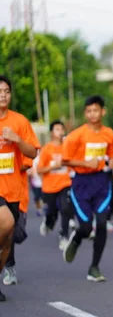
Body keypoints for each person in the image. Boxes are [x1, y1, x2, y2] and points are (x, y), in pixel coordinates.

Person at [61, 95, 113, 282]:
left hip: (101, 181)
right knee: (86, 226)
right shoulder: (76, 136)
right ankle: (77, 238)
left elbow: (110, 156)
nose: (92, 114)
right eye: (89, 111)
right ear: (85, 113)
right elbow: (64, 159)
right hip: (81, 183)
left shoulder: (109, 134)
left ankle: (94, 267)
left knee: (101, 223)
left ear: (103, 111)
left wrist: (112, 162)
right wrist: (85, 162)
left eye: (96, 110)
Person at [0, 76, 39, 301]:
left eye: (6, 91)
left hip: (14, 188)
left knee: (7, 243)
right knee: (4, 223)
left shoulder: (20, 121)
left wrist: (16, 140)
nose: (3, 95)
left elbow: (33, 152)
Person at [37, 120, 74, 250]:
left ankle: (63, 236)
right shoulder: (47, 149)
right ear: (52, 133)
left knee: (65, 208)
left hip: (65, 183)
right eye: (57, 129)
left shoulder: (67, 147)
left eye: (62, 129)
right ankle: (48, 222)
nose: (60, 132)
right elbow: (39, 170)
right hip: (49, 186)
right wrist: (54, 166)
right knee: (52, 211)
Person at [2, 155, 35, 287]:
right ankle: (10, 268)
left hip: (16, 196)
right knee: (7, 230)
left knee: (18, 235)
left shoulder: (17, 147)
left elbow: (27, 163)